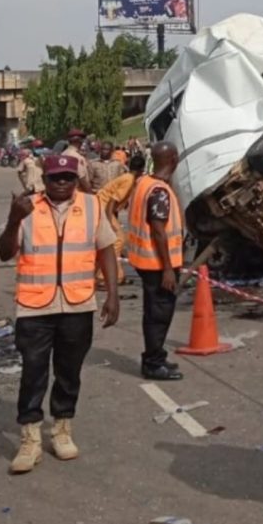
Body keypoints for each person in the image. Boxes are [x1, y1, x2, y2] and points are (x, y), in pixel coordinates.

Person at [0, 153, 120, 474]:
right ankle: (30, 438)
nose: (62, 183)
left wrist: (113, 295)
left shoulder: (91, 206)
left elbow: (105, 248)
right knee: (34, 372)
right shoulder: (27, 207)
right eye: (55, 178)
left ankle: (62, 429)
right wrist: (12, 219)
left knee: (69, 370)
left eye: (68, 177)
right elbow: (5, 252)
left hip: (78, 305)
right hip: (35, 306)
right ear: (45, 179)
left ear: (76, 178)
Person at [126, 141, 185, 380]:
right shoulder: (159, 192)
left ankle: (156, 356)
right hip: (157, 265)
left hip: (144, 261)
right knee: (159, 315)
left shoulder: (144, 183)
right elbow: (159, 230)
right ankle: (153, 362)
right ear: (174, 160)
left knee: (153, 313)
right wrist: (168, 269)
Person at [95, 154, 146, 285]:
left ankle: (115, 274)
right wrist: (108, 223)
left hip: (101, 207)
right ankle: (103, 276)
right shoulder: (129, 180)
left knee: (115, 241)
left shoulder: (127, 178)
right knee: (118, 240)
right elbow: (112, 201)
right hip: (102, 208)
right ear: (142, 170)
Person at [61, 128, 93, 192]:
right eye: (81, 140)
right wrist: (90, 193)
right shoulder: (77, 157)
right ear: (79, 141)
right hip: (78, 192)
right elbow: (82, 178)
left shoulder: (63, 154)